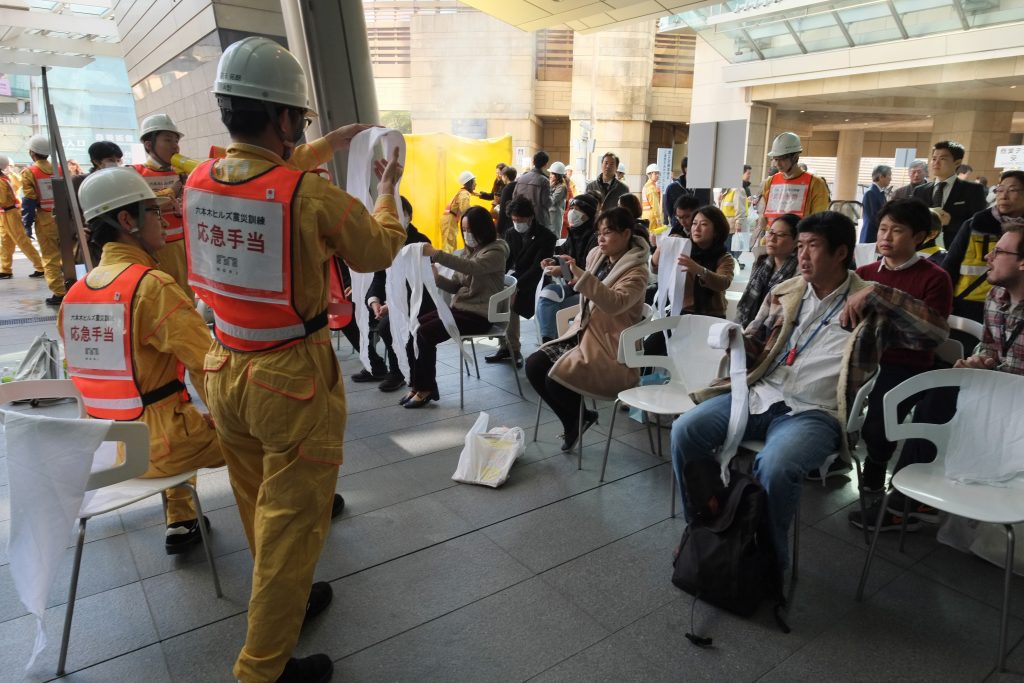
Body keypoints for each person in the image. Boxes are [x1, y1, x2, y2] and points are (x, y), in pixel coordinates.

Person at [183, 36, 406, 683]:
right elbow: (377, 249)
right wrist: (386, 189)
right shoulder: (308, 198)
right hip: (290, 386)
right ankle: (262, 670)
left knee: (257, 506)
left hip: (224, 370)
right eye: (300, 119)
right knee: (288, 530)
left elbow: (259, 171)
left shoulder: (201, 177)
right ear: (282, 118)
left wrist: (326, 144)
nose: (302, 129)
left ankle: (290, 602)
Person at [671, 211, 948, 570]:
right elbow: (756, 341)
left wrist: (878, 294)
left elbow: (936, 334)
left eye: (812, 246)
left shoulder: (871, 302)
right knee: (684, 431)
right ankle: (705, 528)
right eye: (799, 245)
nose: (802, 255)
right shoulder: (786, 293)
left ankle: (767, 558)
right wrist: (737, 343)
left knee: (775, 464)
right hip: (761, 395)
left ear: (840, 253)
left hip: (815, 412)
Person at [60, 167, 226, 553]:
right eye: (153, 211)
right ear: (126, 220)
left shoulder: (75, 295)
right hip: (163, 448)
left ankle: (183, 519)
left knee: (175, 413)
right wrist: (231, 418)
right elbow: (209, 367)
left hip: (109, 448)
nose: (164, 219)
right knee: (269, 432)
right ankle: (293, 518)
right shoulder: (151, 287)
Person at [858, 223, 1024, 532]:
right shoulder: (997, 297)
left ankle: (907, 502)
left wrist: (990, 371)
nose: (988, 256)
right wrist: (980, 359)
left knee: (942, 394)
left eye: (999, 251)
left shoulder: (934, 277)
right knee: (939, 392)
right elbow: (992, 346)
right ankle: (912, 494)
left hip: (1016, 405)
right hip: (995, 392)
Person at [848, 198, 953, 504]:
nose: (885, 237)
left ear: (919, 237)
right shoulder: (864, 272)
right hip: (863, 359)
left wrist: (886, 323)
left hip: (908, 365)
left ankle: (877, 464)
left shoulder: (935, 277)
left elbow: (928, 334)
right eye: (882, 229)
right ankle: (831, 454)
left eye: (896, 230)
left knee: (879, 416)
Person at [527, 207, 649, 451]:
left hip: (610, 346)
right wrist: (562, 269)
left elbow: (614, 303)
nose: (601, 238)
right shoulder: (597, 256)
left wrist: (579, 274)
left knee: (556, 379)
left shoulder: (638, 272)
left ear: (626, 234)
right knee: (534, 365)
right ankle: (577, 419)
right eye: (599, 232)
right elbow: (586, 285)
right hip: (584, 332)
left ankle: (576, 421)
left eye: (608, 232)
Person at [404, 206, 508, 408]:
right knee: (414, 326)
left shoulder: (497, 250)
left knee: (425, 333)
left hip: (479, 315)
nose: (467, 235)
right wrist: (437, 279)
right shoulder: (471, 251)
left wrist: (437, 254)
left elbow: (473, 268)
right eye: (465, 230)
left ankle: (426, 389)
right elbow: (455, 285)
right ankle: (417, 385)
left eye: (471, 230)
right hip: (460, 310)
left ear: (483, 229)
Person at [353, 196, 434, 391]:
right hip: (395, 302)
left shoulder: (421, 242)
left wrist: (395, 304)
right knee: (364, 317)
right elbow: (379, 276)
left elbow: (420, 283)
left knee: (387, 326)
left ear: (410, 216)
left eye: (401, 215)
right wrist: (375, 301)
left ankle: (400, 372)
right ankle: (384, 367)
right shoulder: (386, 241)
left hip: (419, 301)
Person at [943, 169, 1024, 325]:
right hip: (969, 303)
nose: (1003, 195)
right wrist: (946, 301)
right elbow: (950, 264)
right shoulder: (975, 224)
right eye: (999, 190)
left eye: (1012, 190)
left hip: (1017, 307)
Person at [486, 196, 555, 366]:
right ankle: (504, 346)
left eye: (520, 220)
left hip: (536, 282)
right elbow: (506, 261)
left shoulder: (546, 237)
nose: (517, 223)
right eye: (514, 219)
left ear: (530, 217)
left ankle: (514, 349)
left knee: (510, 304)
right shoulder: (511, 233)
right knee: (497, 296)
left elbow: (537, 268)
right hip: (516, 277)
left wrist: (514, 287)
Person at [130, 113, 191, 299]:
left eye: (176, 140)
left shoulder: (184, 172)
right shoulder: (135, 173)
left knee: (186, 299)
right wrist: (172, 192)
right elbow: (139, 205)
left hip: (184, 248)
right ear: (149, 145)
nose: (175, 146)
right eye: (168, 140)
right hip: (153, 250)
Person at [535, 192, 599, 342]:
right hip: (572, 287)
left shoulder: (594, 239)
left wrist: (561, 270)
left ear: (588, 214)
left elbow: (586, 271)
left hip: (589, 292)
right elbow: (564, 255)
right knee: (547, 296)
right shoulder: (574, 233)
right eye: (572, 208)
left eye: (578, 209)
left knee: (548, 301)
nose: (572, 212)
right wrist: (552, 261)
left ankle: (550, 342)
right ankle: (552, 341)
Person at [651, 205, 734, 318]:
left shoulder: (724, 257)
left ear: (716, 231)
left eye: (704, 224)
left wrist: (699, 270)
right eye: (694, 223)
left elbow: (723, 282)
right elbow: (655, 269)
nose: (696, 228)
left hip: (712, 316)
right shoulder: (683, 248)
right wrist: (663, 246)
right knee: (655, 335)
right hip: (682, 312)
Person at [756, 132, 831, 244]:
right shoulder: (770, 182)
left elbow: (818, 222)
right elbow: (763, 214)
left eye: (781, 159)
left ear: (795, 157)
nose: (777, 164)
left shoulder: (816, 184)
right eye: (775, 159)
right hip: (771, 241)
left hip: (797, 246)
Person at [913, 140, 987, 249]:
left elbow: (979, 224)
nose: (936, 162)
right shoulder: (920, 191)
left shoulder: (973, 190)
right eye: (934, 158)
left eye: (942, 159)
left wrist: (950, 222)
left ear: (957, 162)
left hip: (957, 250)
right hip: (923, 250)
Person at [21, 134, 66, 305]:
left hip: (45, 219)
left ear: (32, 153)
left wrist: (27, 224)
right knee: (67, 254)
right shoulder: (60, 169)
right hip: (63, 218)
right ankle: (72, 286)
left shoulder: (30, 172)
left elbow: (29, 201)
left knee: (50, 257)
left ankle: (59, 293)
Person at [734, 213, 799, 329]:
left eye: (781, 235)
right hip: (748, 327)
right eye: (771, 232)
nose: (772, 239)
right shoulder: (761, 262)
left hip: (774, 332)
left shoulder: (798, 273)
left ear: (796, 241)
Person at [0, 154, 43, 280]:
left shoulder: (2, 181)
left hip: (10, 214)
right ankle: (5, 269)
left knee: (22, 242)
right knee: (6, 243)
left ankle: (41, 267)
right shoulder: (5, 178)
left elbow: (1, 200)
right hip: (7, 214)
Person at [513, 151, 552, 232]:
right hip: (538, 219)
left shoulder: (521, 178)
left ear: (533, 162)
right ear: (545, 164)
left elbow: (514, 197)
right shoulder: (544, 181)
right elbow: (546, 202)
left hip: (522, 218)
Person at [441, 171, 476, 253]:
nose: (476, 184)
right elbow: (465, 209)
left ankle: (449, 262)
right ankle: (447, 263)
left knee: (451, 244)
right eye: (474, 181)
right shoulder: (464, 194)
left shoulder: (462, 192)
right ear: (470, 183)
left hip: (449, 220)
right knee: (448, 245)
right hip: (449, 221)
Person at [860, 164, 891, 243]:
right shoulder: (871, 192)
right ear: (881, 177)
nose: (890, 179)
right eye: (889, 175)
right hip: (870, 234)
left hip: (877, 232)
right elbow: (873, 217)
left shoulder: (880, 192)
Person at [494, 165, 517, 236]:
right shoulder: (517, 185)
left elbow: (502, 211)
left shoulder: (506, 189)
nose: (501, 178)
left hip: (507, 223)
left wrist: (499, 229)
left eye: (502, 176)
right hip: (515, 220)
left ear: (506, 176)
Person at [642, 163, 664, 235]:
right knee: (654, 239)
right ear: (650, 174)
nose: (658, 175)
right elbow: (655, 206)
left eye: (658, 173)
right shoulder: (651, 188)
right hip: (652, 217)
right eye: (656, 173)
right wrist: (658, 219)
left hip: (646, 216)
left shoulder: (646, 186)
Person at [548, 161, 568, 236]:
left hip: (555, 215)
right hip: (549, 214)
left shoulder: (561, 187)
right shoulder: (552, 184)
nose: (550, 175)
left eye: (552, 174)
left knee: (554, 236)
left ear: (558, 175)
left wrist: (549, 188)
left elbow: (551, 200)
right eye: (550, 173)